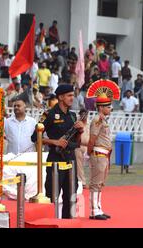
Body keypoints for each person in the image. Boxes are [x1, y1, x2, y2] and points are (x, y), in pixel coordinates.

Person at [31, 84, 84, 219]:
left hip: (71, 161)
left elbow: (76, 143)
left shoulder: (72, 116)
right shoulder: (49, 114)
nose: (72, 98)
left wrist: (80, 131)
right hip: (55, 161)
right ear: (60, 97)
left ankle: (69, 223)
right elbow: (35, 138)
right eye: (69, 96)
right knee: (52, 195)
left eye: (73, 95)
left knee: (71, 195)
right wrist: (55, 142)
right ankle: (50, 222)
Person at [87, 89, 118, 220]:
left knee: (100, 184)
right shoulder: (97, 120)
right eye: (108, 106)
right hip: (98, 154)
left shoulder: (103, 120)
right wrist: (89, 153)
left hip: (104, 155)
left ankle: (98, 208)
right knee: (96, 183)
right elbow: (92, 139)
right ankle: (94, 210)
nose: (110, 108)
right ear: (101, 107)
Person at [75, 109, 90, 190]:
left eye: (86, 115)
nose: (84, 116)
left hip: (89, 147)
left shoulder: (89, 125)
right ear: (80, 115)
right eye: (82, 115)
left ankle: (94, 182)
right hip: (79, 146)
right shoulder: (77, 124)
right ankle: (82, 183)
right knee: (79, 166)